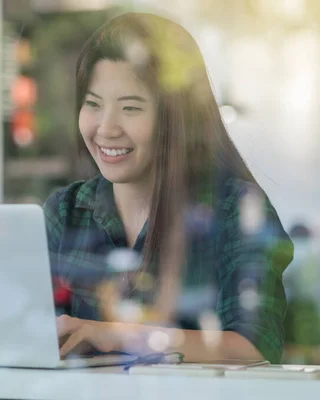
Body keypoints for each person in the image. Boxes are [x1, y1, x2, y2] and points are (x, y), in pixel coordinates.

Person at [44, 12, 294, 364]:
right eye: (93, 104)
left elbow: (254, 347)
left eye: (130, 107)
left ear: (176, 116)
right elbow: (28, 333)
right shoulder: (64, 212)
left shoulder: (235, 210)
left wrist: (112, 334)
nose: (106, 127)